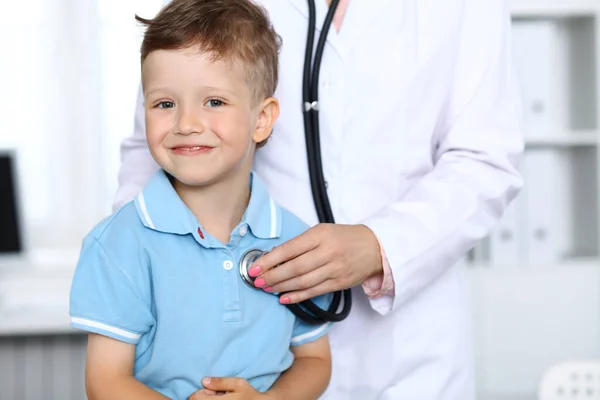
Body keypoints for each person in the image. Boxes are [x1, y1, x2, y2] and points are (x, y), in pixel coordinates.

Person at [116, 0, 524, 398]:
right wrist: (132, 266)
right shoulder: (122, 251)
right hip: (245, 342)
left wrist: (380, 245)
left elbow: (484, 159)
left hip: (410, 353)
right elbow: (158, 137)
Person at [69, 1, 334, 399]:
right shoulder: (118, 247)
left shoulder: (294, 243)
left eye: (213, 102)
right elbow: (105, 382)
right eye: (165, 104)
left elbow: (315, 361)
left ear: (261, 119)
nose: (186, 124)